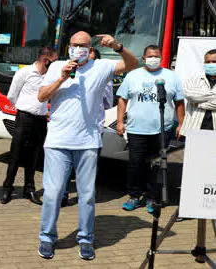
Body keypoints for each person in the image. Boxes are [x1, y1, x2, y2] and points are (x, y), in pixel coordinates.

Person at [37, 31, 139, 261]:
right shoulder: (56, 67)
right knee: (52, 194)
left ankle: (85, 239)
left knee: (87, 195)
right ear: (68, 47)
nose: (77, 49)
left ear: (89, 48)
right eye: (74, 45)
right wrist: (62, 78)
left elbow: (133, 64)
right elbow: (42, 97)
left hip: (88, 143)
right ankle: (47, 237)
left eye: (82, 45)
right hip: (57, 142)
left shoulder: (101, 67)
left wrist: (117, 46)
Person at [116, 45, 185, 213]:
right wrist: (119, 121)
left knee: (157, 164)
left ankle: (152, 197)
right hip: (136, 129)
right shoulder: (133, 76)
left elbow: (179, 102)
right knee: (135, 164)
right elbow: (122, 99)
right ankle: (134, 195)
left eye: (157, 56)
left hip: (162, 129)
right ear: (144, 58)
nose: (154, 59)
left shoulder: (171, 77)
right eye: (150, 56)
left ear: (161, 58)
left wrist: (182, 124)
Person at [0, 47, 58, 205]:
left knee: (34, 155)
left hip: (41, 119)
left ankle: (29, 189)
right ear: (46, 60)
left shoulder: (51, 76)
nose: (57, 63)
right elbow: (12, 95)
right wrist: (24, 107)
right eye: (55, 60)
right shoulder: (25, 72)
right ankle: (8, 188)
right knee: (16, 154)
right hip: (24, 117)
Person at [61, 47, 113, 207]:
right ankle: (62, 194)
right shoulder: (68, 72)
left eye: (89, 55)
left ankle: (85, 196)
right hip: (68, 128)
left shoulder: (103, 78)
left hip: (91, 130)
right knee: (65, 166)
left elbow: (107, 103)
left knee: (87, 168)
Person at [180, 49, 216, 134]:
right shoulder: (193, 81)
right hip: (193, 129)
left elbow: (195, 98)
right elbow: (190, 95)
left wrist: (200, 104)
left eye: (214, 61)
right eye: (208, 62)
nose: (211, 64)